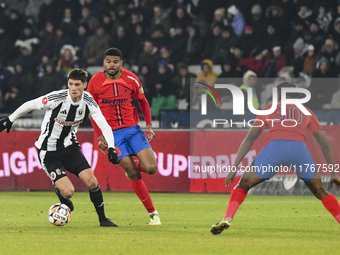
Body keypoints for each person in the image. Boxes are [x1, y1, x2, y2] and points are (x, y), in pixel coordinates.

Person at [210, 83, 340, 235]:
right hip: (299, 150)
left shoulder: (270, 108)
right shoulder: (307, 111)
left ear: (279, 95)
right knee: (319, 190)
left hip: (276, 148)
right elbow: (324, 144)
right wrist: (333, 173)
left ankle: (228, 217)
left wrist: (234, 168)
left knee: (244, 184)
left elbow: (250, 138)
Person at [0, 69, 118, 227]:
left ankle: (103, 219)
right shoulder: (57, 98)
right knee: (69, 191)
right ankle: (61, 193)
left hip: (70, 148)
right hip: (48, 152)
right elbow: (31, 104)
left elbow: (104, 125)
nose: (73, 88)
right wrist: (10, 119)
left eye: (77, 84)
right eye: (70, 84)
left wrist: (111, 147)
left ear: (85, 85)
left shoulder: (88, 101)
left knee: (92, 182)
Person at [87, 48, 161, 225]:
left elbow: (143, 101)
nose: (111, 65)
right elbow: (91, 111)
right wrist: (99, 137)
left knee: (151, 168)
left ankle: (135, 164)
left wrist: (149, 125)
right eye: (108, 61)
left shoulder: (131, 78)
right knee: (133, 173)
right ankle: (153, 213)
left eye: (115, 62)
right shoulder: (95, 82)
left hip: (133, 130)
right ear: (104, 62)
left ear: (121, 63)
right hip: (112, 135)